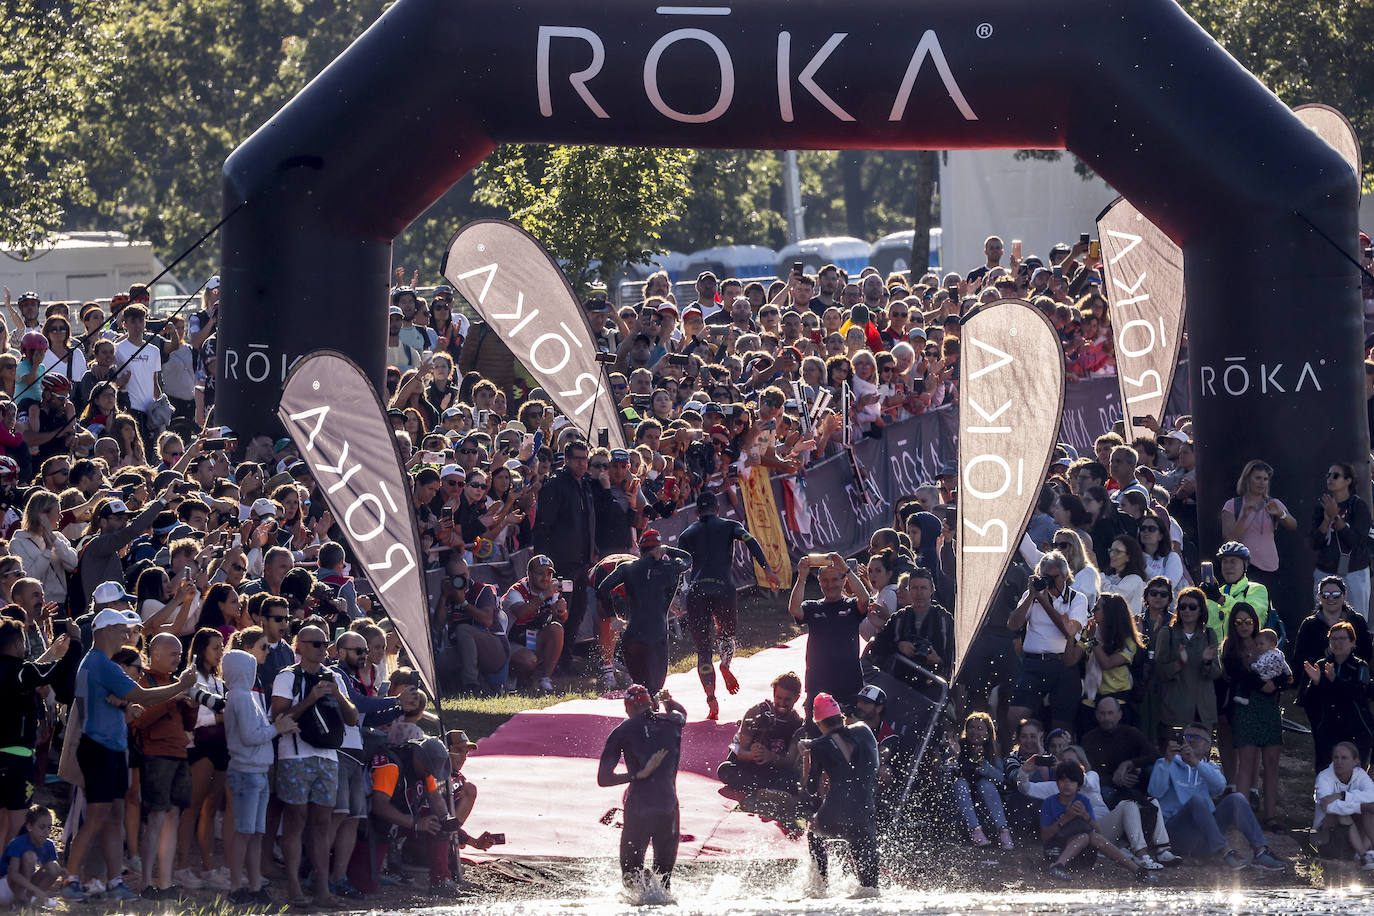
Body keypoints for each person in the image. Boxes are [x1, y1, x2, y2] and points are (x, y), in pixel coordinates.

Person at [63, 609, 198, 902]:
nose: (127, 635)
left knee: (113, 817)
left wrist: (122, 706)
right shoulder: (102, 662)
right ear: (105, 630)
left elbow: (121, 701)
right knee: (99, 816)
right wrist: (182, 686)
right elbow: (144, 696)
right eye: (121, 629)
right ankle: (70, 879)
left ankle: (114, 882)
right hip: (99, 747)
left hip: (110, 747)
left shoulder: (99, 662)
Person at [270, 625, 359, 908]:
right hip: (295, 755)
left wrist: (337, 693)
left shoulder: (333, 676)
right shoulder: (287, 677)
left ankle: (322, 890)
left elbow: (353, 718)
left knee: (322, 824)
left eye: (325, 644)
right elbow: (278, 716)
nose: (323, 649)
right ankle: (294, 887)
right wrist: (311, 699)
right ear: (300, 647)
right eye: (316, 644)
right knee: (296, 821)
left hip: (328, 757)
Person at [679, 491, 779, 719]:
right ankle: (725, 663)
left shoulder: (687, 534)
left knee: (703, 651)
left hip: (697, 591)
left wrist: (675, 596)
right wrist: (767, 570)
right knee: (727, 636)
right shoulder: (730, 525)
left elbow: (679, 567)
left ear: (696, 513)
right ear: (717, 510)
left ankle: (711, 699)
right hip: (724, 589)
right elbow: (750, 541)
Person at [1146, 723, 1286, 871]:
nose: (1191, 740)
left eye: (1197, 737)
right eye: (1187, 736)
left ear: (1207, 747)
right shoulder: (1165, 763)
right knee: (1197, 801)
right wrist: (1168, 761)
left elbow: (1219, 787)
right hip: (1175, 834)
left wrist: (1195, 762)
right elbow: (1155, 792)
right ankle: (1225, 852)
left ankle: (1261, 852)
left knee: (1236, 798)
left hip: (1205, 836)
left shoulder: (1210, 768)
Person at [223, 648, 298, 906]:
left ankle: (254, 885)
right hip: (246, 771)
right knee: (245, 832)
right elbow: (250, 737)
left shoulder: (244, 696)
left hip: (256, 771)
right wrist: (278, 728)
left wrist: (275, 728)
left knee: (255, 832)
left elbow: (255, 733)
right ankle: (236, 886)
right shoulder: (241, 697)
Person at [597, 684, 687, 891]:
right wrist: (668, 700)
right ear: (652, 705)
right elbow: (681, 712)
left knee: (631, 879)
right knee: (663, 884)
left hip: (638, 809)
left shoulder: (622, 731)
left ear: (627, 708)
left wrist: (638, 775)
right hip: (668, 808)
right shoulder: (672, 722)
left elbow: (604, 778)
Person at [800, 692, 880, 896]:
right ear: (841, 716)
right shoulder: (865, 730)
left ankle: (821, 885)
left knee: (814, 833)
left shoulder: (818, 746)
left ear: (819, 724)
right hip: (864, 814)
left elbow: (810, 788)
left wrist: (807, 755)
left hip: (833, 816)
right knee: (870, 889)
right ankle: (867, 888)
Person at [594, 529, 691, 695]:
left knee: (640, 690)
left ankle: (642, 715)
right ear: (659, 549)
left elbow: (602, 589)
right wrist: (668, 549)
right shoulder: (670, 567)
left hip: (633, 636)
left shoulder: (627, 567)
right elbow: (687, 559)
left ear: (640, 549)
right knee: (655, 690)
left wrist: (613, 616)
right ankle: (653, 713)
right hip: (657, 635)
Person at [1006, 551, 1090, 733]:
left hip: (1062, 665)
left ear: (1066, 576)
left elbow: (1068, 631)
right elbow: (1013, 624)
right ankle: (1010, 758)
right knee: (1014, 717)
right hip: (1032, 664)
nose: (1050, 581)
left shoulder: (1077, 599)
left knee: (1061, 726)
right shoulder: (1034, 595)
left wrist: (1044, 602)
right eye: (1046, 577)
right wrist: (1031, 596)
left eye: (1054, 577)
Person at [530, 440, 597, 667]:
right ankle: (554, 661)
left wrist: (592, 552)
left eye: (584, 458)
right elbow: (543, 526)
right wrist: (542, 563)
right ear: (566, 460)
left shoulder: (585, 485)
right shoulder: (555, 486)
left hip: (582, 562)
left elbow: (589, 523)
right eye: (577, 459)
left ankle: (566, 657)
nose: (581, 463)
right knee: (559, 613)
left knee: (578, 612)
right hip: (561, 564)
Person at [1221, 602, 1287, 828]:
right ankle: (1241, 818)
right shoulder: (1230, 647)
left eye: (1248, 621)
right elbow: (1236, 674)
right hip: (1245, 706)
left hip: (1269, 707)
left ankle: (1270, 817)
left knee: (1272, 762)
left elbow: (1285, 674)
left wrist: (1274, 684)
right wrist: (1263, 685)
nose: (1243, 625)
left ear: (1255, 622)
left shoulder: (1267, 643)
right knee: (1246, 763)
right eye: (1238, 621)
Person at [1040, 760, 1154, 882]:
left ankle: (1138, 871)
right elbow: (1045, 837)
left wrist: (1085, 816)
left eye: (1071, 780)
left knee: (1091, 836)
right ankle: (1058, 866)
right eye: (1063, 780)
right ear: (1057, 783)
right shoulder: (1049, 803)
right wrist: (1065, 819)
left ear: (1078, 785)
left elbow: (1098, 833)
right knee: (1084, 836)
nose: (1067, 784)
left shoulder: (1083, 800)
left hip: (1082, 857)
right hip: (1056, 852)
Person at [789, 553, 870, 719]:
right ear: (819, 583)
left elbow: (864, 599)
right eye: (825, 580)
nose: (830, 585)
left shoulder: (851, 606)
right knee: (815, 733)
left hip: (849, 683)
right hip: (818, 683)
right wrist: (802, 577)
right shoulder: (812, 607)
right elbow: (794, 609)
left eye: (834, 580)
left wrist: (847, 570)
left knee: (848, 735)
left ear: (843, 581)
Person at [864, 568, 953, 698]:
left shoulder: (944, 620)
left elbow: (957, 655)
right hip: (901, 684)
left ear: (932, 590)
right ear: (909, 590)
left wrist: (938, 660)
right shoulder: (899, 618)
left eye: (923, 588)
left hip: (933, 687)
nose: (919, 593)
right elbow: (877, 647)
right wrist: (898, 646)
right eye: (915, 588)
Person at [1302, 621, 1374, 772]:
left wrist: (1335, 680)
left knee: (1352, 778)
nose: (1337, 643)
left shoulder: (1360, 666)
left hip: (1356, 729)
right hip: (1329, 728)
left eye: (1342, 639)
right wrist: (1316, 683)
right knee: (1325, 774)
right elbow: (1309, 700)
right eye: (1333, 639)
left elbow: (1357, 693)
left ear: (1352, 643)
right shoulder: (1322, 665)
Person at [717, 671, 803, 796]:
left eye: (787, 699)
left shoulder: (796, 723)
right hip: (747, 766)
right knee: (724, 770)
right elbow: (741, 753)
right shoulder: (756, 712)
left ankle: (767, 789)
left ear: (796, 698)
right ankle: (770, 789)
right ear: (774, 694)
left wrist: (771, 757)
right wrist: (753, 755)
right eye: (779, 698)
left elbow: (790, 761)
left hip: (773, 769)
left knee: (793, 777)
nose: (782, 704)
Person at [1067, 594, 1143, 733]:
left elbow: (1106, 664)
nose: (1093, 611)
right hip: (1091, 699)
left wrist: (1093, 641)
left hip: (1117, 702)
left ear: (1110, 612)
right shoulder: (1090, 632)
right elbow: (1071, 660)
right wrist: (1070, 635)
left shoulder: (1128, 641)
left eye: (1097, 608)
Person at [1150, 587, 1221, 736]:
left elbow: (1216, 673)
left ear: (1201, 610)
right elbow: (1158, 672)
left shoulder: (1209, 634)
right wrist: (1178, 664)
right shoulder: (1167, 633)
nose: (1187, 610)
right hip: (1175, 709)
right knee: (1176, 756)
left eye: (1192, 607)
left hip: (1203, 710)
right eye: (1182, 607)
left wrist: (1207, 662)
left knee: (1201, 758)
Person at [1219, 459, 1296, 591]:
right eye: (1258, 478)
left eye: (1265, 479)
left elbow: (1293, 525)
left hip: (1269, 567)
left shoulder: (1273, 503)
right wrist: (1244, 516)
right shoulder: (1232, 505)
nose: (1262, 482)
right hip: (1243, 568)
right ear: (1247, 479)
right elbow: (1229, 539)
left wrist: (1280, 513)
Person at [1310, 462, 1371, 619]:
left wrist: (1335, 517)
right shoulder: (1322, 506)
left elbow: (1356, 542)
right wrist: (1326, 520)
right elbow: (1315, 543)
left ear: (1348, 480)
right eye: (1328, 475)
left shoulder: (1358, 506)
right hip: (1325, 571)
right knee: (1323, 619)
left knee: (1357, 619)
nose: (1330, 479)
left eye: (1335, 475)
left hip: (1354, 571)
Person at [948, 712, 1013, 849]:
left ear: (988, 734)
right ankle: (975, 831)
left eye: (979, 728)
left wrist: (984, 766)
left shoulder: (991, 753)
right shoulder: (958, 746)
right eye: (971, 727)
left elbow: (1002, 779)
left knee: (986, 784)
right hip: (962, 808)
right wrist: (956, 756)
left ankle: (1003, 830)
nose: (974, 731)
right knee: (960, 783)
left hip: (985, 808)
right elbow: (946, 774)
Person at [1313, 740, 1374, 868]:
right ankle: (1364, 856)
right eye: (1336, 757)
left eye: (1344, 758)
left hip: (1354, 827)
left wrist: (1342, 795)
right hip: (1327, 832)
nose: (1339, 762)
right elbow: (1329, 807)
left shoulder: (1360, 775)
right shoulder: (1323, 777)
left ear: (1355, 762)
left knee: (1370, 809)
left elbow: (1371, 797)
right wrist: (1358, 806)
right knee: (1342, 814)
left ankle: (1366, 851)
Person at [0, 805, 66, 907]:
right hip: (5, 888)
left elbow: (52, 868)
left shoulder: (48, 844)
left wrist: (63, 872)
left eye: (49, 827)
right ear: (29, 826)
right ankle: (19, 900)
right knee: (29, 856)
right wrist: (35, 889)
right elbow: (13, 874)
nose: (46, 832)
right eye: (42, 827)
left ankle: (31, 900)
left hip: (25, 885)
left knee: (54, 867)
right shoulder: (18, 843)